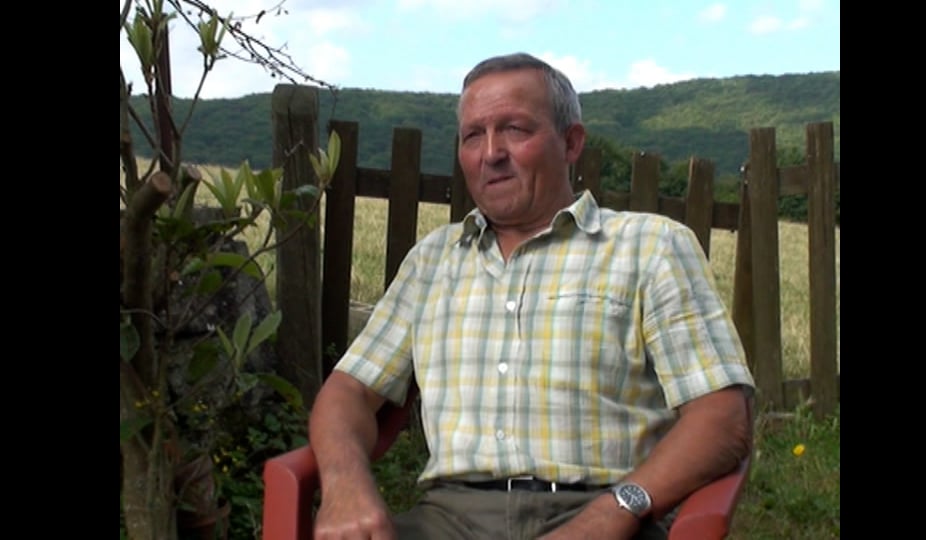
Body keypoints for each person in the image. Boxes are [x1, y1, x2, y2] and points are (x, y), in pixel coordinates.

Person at [309, 52, 755, 540]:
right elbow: (350, 391)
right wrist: (344, 483)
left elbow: (722, 418)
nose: (491, 153)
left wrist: (611, 515)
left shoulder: (651, 247)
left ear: (571, 142)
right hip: (448, 521)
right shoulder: (432, 261)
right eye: (473, 135)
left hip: (608, 515)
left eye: (515, 129)